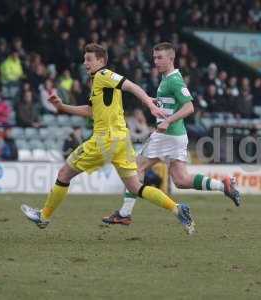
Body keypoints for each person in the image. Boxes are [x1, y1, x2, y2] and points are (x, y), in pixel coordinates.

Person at [21, 43, 195, 234]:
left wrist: (149, 104)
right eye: (84, 59)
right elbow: (91, 111)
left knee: (64, 174)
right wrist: (63, 107)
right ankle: (177, 208)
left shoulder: (104, 75)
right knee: (135, 186)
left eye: (89, 59)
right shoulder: (97, 81)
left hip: (105, 140)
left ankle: (44, 216)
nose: (85, 63)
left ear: (101, 61)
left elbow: (131, 85)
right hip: (121, 141)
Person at [103, 42, 240, 226]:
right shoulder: (166, 78)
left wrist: (167, 121)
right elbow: (171, 105)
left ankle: (125, 213)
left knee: (136, 168)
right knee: (181, 180)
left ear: (171, 58)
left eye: (160, 58)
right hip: (176, 136)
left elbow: (189, 107)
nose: (156, 61)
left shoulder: (174, 80)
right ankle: (222, 186)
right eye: (154, 58)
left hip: (168, 135)